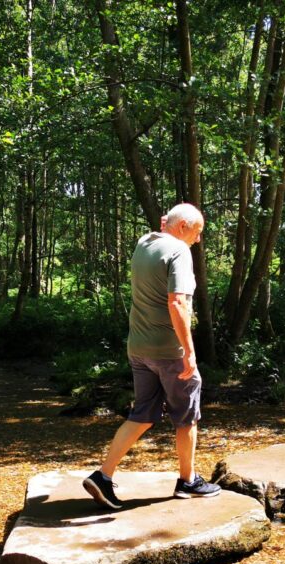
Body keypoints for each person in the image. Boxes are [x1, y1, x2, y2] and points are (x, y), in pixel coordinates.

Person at [84, 203, 221, 509]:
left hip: (139, 348)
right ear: (184, 226)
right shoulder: (179, 252)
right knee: (187, 417)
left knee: (142, 414)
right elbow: (177, 304)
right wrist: (189, 352)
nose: (198, 240)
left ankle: (102, 476)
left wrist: (168, 226)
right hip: (169, 350)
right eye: (197, 232)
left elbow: (161, 230)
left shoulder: (144, 243)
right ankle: (188, 481)